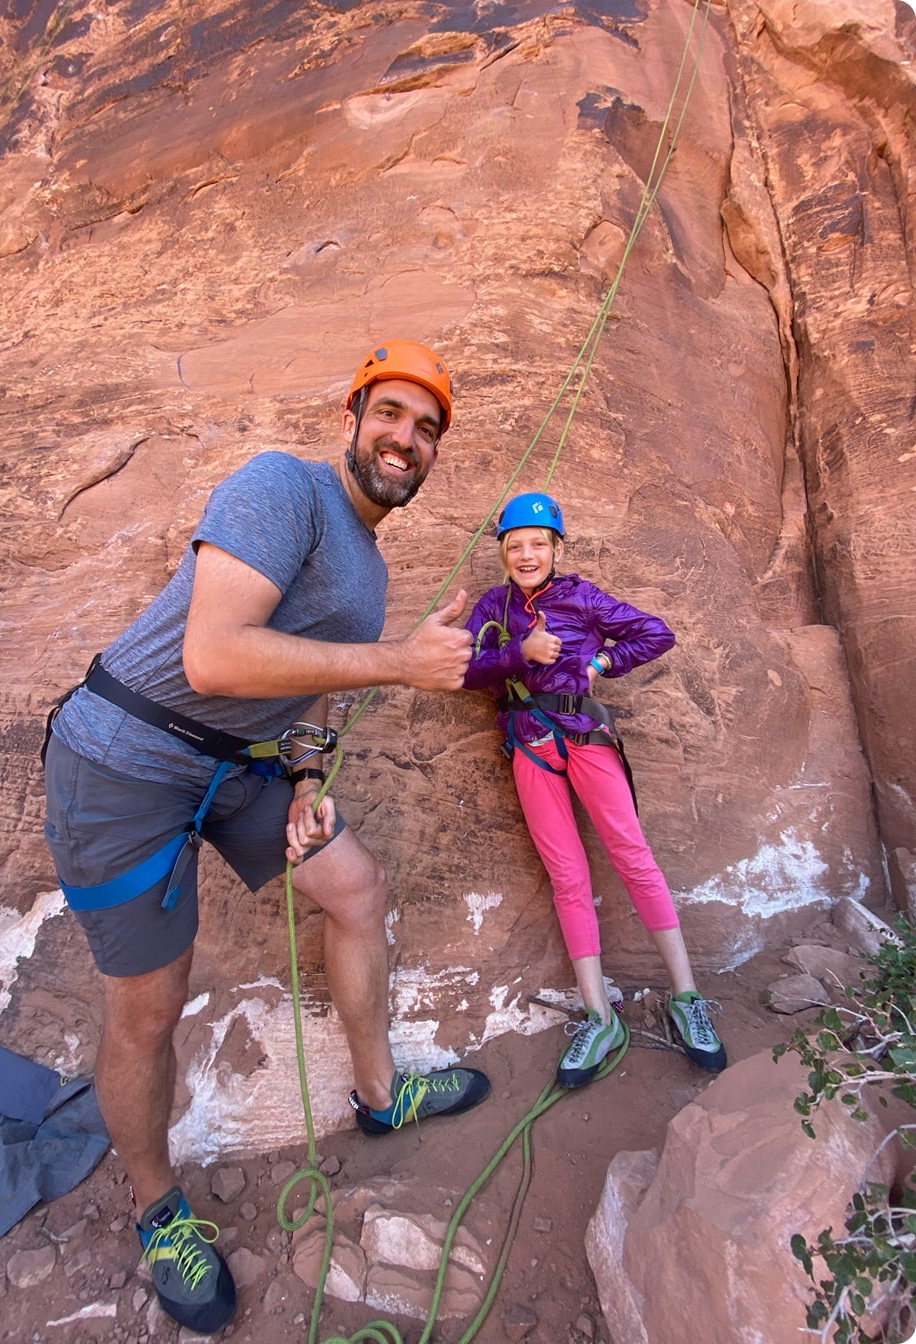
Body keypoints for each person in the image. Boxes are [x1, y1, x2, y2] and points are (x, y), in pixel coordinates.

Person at [42, 340, 491, 1336]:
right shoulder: (280, 489)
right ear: (352, 419)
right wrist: (400, 666)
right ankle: (159, 1208)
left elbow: (308, 684)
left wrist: (300, 779)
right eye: (392, 416)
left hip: (233, 770)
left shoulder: (367, 572)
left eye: (427, 430)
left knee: (358, 888)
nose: (405, 439)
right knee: (149, 1006)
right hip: (121, 757)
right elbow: (212, 656)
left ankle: (379, 1096)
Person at [461, 490, 726, 1091]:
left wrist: (599, 665)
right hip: (530, 743)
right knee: (567, 874)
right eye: (514, 545)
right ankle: (599, 1015)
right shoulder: (492, 606)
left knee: (632, 855)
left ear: (556, 548)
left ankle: (687, 998)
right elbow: (466, 670)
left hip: (583, 733)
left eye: (537, 544)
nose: (526, 554)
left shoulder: (580, 596)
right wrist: (517, 653)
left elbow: (656, 634)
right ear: (502, 551)